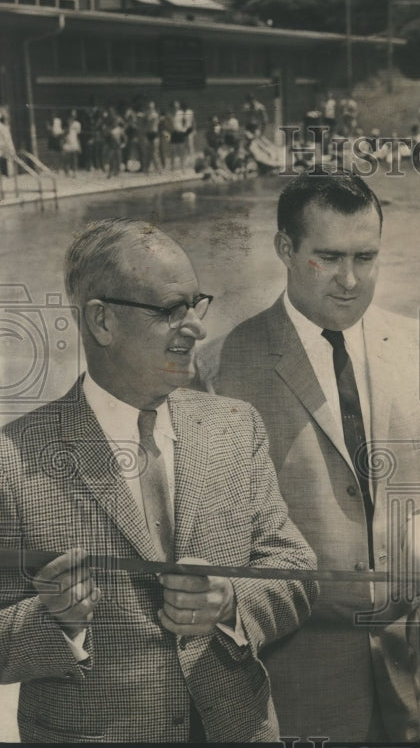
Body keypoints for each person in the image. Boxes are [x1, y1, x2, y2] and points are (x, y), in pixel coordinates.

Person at [0, 218, 317, 741]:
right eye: (171, 310)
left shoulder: (236, 427)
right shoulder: (13, 459)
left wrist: (232, 600)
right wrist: (55, 619)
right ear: (101, 322)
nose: (196, 327)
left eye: (197, 304)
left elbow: (296, 571)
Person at [201, 172, 420, 742]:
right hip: (293, 679)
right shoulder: (218, 367)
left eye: (366, 257)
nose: (350, 280)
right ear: (285, 249)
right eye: (328, 257)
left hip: (417, 679)